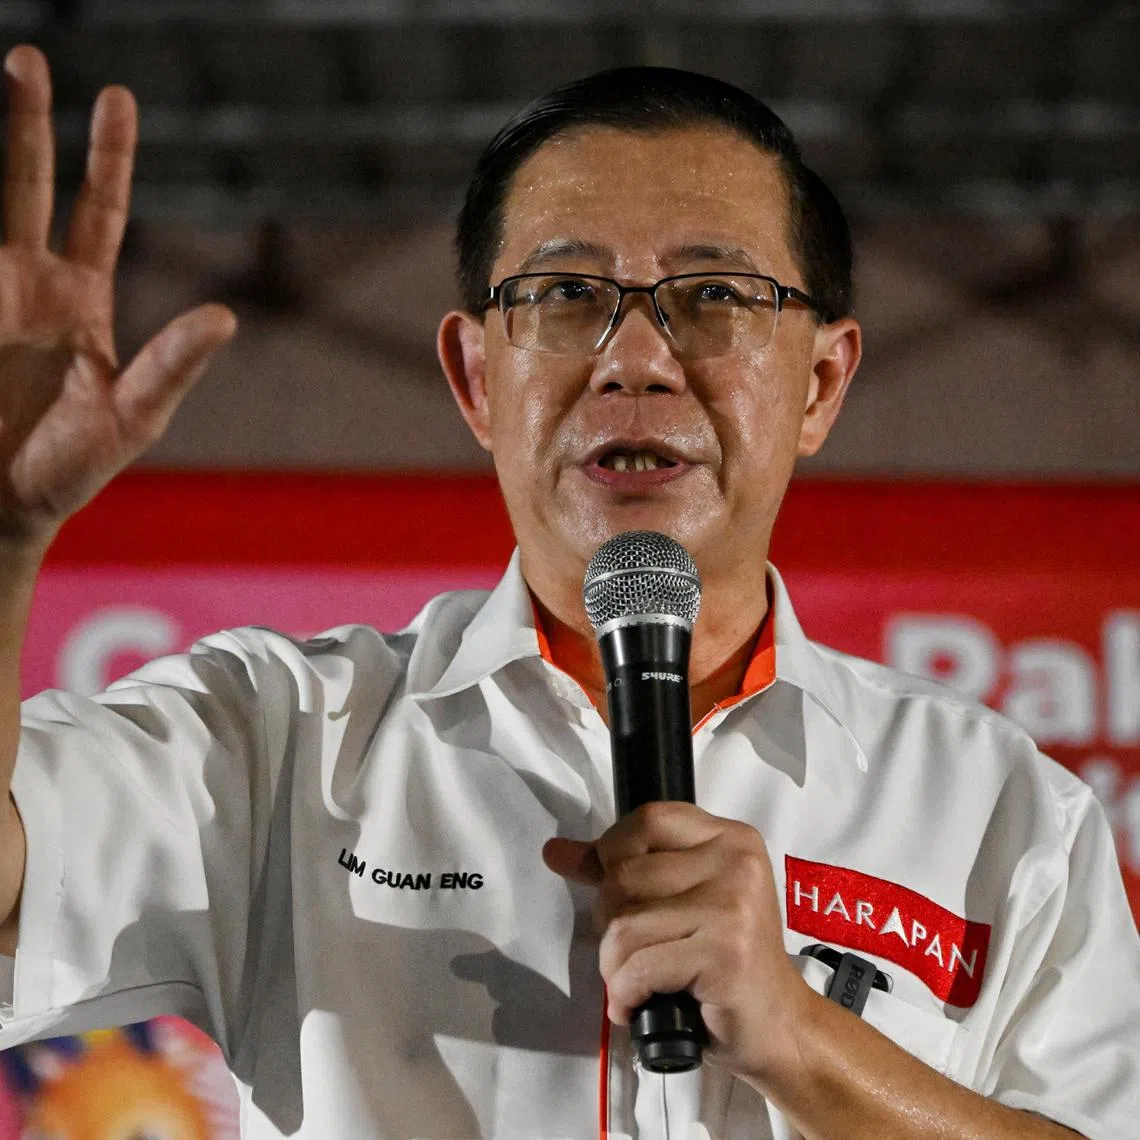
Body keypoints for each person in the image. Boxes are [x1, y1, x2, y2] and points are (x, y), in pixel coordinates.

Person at [0, 42, 1136, 1140]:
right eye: (564, 292)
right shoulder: (282, 739)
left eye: (715, 295)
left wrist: (798, 1035)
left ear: (821, 384)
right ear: (475, 378)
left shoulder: (999, 810)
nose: (634, 359)